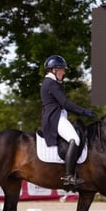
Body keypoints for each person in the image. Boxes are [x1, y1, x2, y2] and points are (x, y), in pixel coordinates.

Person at [40, 54, 95, 187]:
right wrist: (83, 111)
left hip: (58, 116)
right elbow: (65, 103)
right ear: (53, 70)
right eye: (61, 69)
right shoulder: (51, 83)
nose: (63, 72)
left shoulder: (52, 83)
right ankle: (69, 176)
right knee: (74, 139)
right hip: (54, 118)